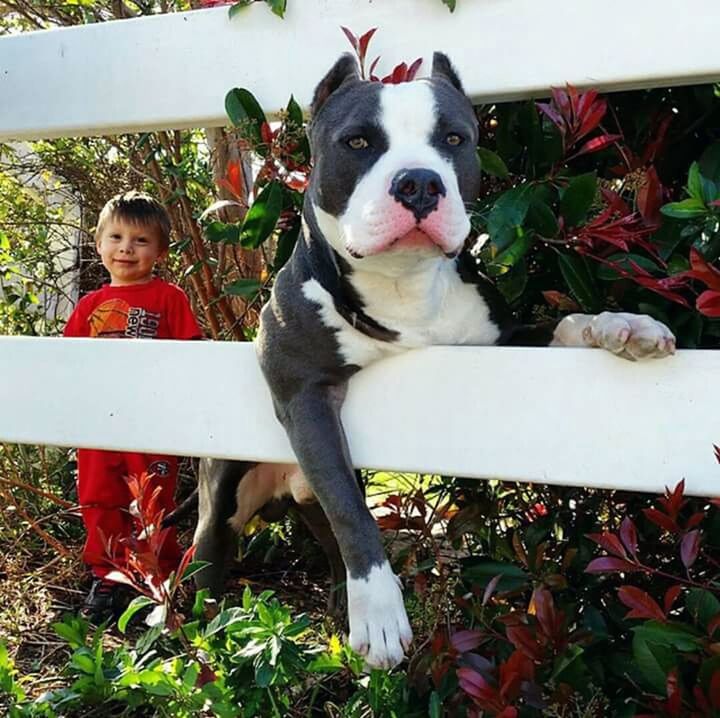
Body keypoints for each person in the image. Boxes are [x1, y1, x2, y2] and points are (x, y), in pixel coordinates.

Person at [63, 190, 203, 621]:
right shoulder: (89, 305)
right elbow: (66, 362)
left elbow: (192, 354)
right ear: (100, 244)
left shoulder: (169, 298)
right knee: (99, 498)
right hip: (100, 425)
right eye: (117, 237)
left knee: (152, 499)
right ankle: (107, 577)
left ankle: (157, 578)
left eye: (140, 241)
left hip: (152, 424)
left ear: (159, 250)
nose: (126, 248)